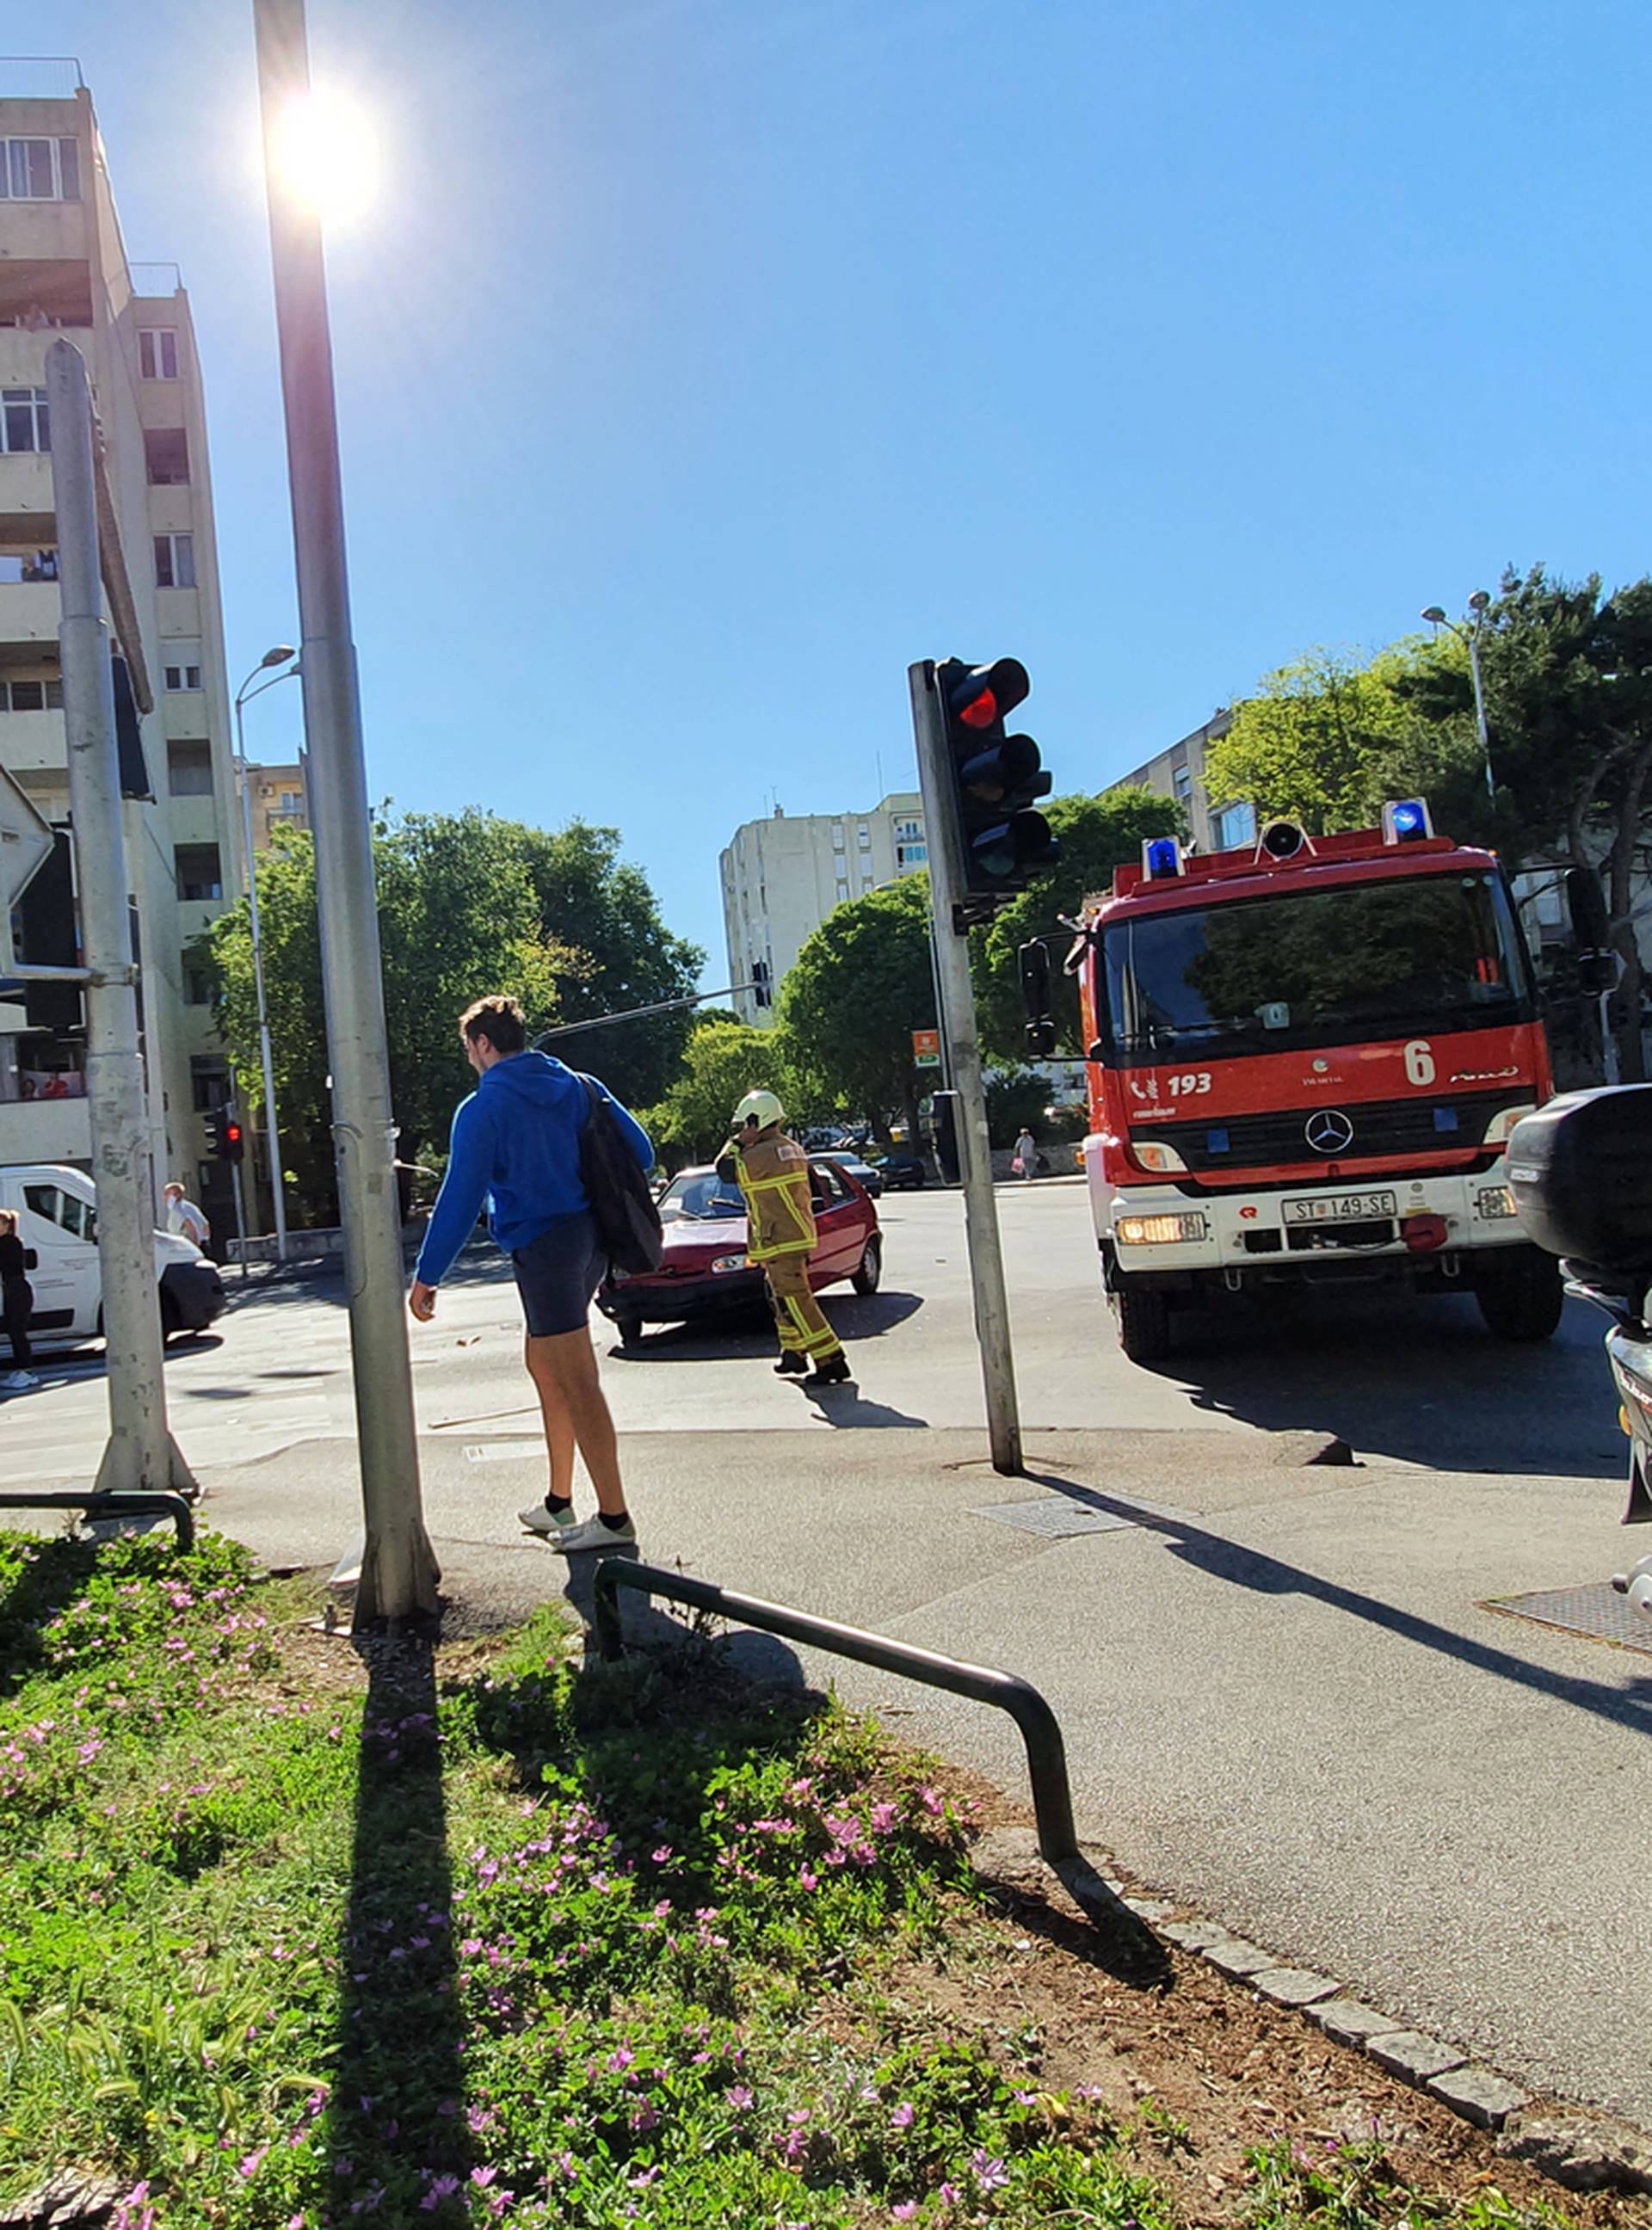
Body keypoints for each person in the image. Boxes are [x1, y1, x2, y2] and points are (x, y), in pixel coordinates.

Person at [408, 994, 652, 1553]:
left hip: (546, 1252)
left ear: (484, 1044)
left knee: (576, 1379)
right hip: (591, 1242)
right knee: (544, 1364)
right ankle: (558, 1502)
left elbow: (459, 1196)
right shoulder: (578, 1084)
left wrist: (428, 1275)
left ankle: (614, 1518)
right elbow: (640, 1151)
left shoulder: (482, 1108)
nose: (469, 1058)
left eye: (469, 1048)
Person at [718, 1089, 852, 1386]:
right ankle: (793, 1351)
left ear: (757, 1121)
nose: (742, 1130)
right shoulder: (789, 1147)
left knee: (795, 1299)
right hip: (791, 1235)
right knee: (780, 1296)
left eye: (746, 1124)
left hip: (780, 1238)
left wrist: (738, 1141)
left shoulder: (759, 1154)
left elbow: (725, 1170)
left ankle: (831, 1359)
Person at [0, 1209, 38, 1391]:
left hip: (18, 1290)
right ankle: (21, 1369)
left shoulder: (10, 1242)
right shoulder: (7, 1242)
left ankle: (27, 1371)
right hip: (11, 1289)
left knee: (18, 1331)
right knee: (13, 1330)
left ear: (7, 1225)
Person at [163, 1181, 210, 1250]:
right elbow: (205, 1225)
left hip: (188, 1247)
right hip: (203, 1244)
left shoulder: (177, 1209)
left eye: (167, 1193)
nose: (164, 1196)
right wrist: (205, 1240)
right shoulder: (191, 1206)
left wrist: (195, 1246)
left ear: (177, 1195)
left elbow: (190, 1225)